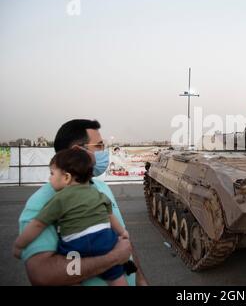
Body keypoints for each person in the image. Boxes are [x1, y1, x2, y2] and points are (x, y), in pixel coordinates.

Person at [17, 119, 148, 286]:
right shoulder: (41, 203)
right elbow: (42, 275)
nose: (104, 151)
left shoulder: (100, 187)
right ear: (78, 151)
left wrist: (140, 279)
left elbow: (122, 240)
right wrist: (112, 259)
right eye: (99, 146)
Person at [13, 148, 131, 286]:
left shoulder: (58, 199)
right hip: (105, 242)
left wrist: (19, 244)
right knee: (116, 277)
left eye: (52, 173)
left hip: (76, 246)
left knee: (70, 276)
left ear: (67, 177)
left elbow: (38, 224)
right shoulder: (99, 193)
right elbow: (110, 217)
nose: (49, 178)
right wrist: (123, 233)